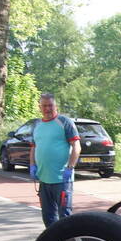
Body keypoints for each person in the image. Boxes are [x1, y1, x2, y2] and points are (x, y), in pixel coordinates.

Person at [29, 93, 80, 227]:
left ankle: (68, 240)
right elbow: (34, 147)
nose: (47, 109)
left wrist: (70, 167)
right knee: (48, 217)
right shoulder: (37, 125)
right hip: (44, 179)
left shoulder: (64, 122)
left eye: (50, 105)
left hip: (62, 180)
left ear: (55, 106)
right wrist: (32, 165)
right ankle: (54, 240)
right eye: (44, 106)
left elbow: (76, 146)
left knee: (65, 217)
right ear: (40, 107)